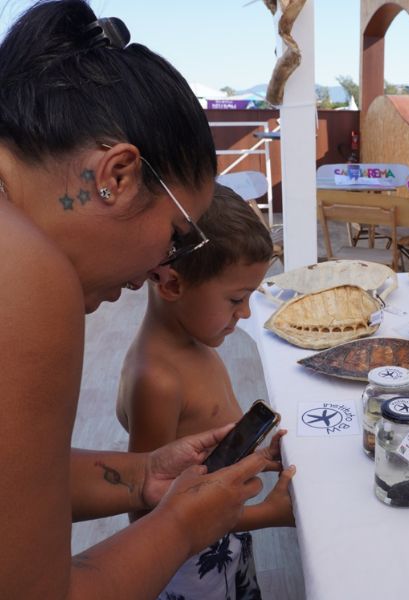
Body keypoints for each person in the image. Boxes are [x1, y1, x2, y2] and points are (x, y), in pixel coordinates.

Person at [0, 2, 277, 596]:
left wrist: (145, 472)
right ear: (117, 176)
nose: (164, 267)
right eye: (180, 236)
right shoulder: (25, 270)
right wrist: (180, 526)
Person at [117, 184, 296, 599]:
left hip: (223, 542)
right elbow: (148, 514)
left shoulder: (195, 343)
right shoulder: (157, 380)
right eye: (236, 298)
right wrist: (265, 514)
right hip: (191, 568)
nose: (247, 313)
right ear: (173, 285)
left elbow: (202, 459)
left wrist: (252, 459)